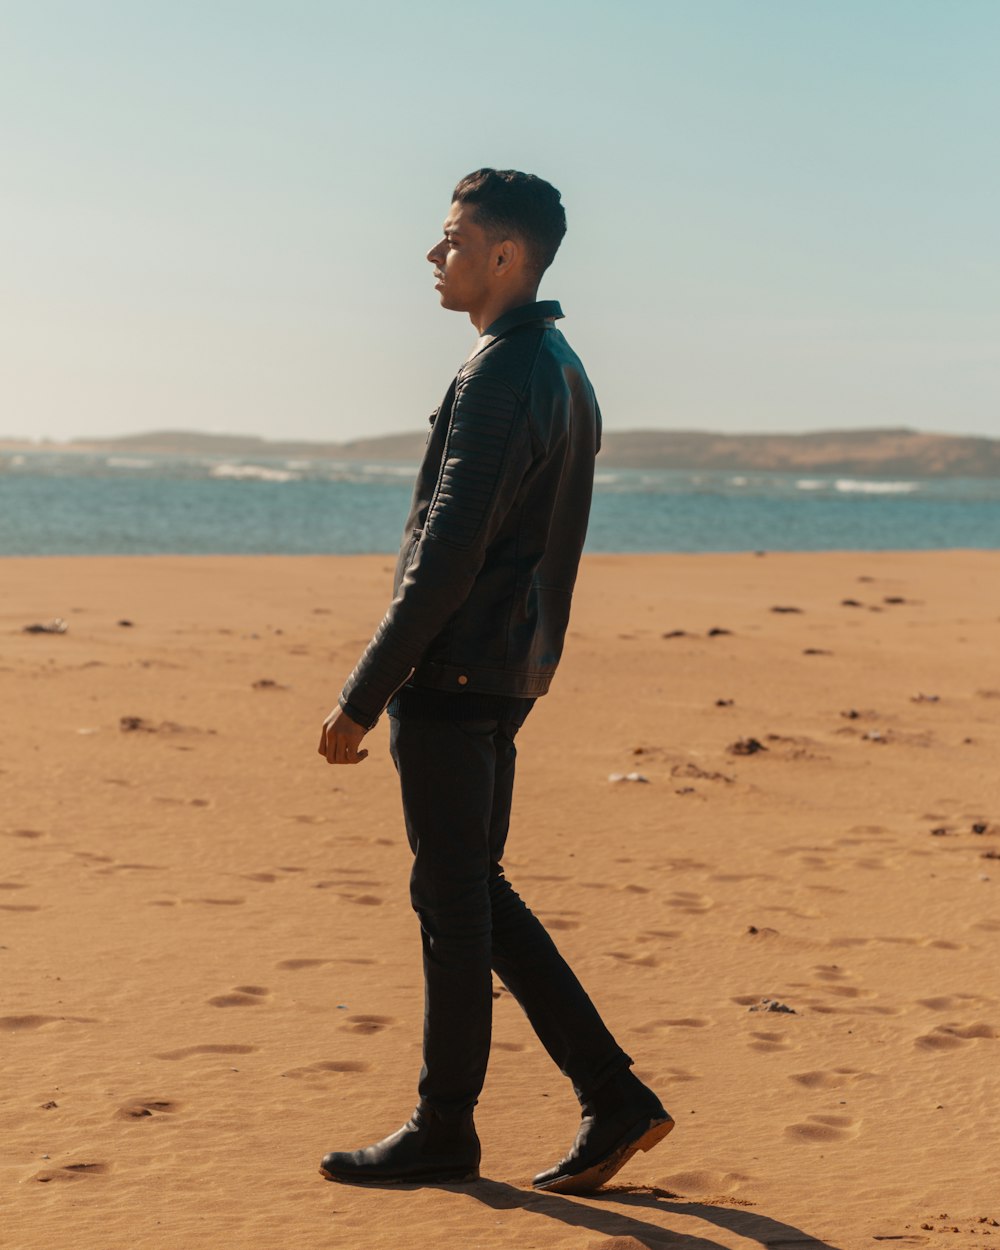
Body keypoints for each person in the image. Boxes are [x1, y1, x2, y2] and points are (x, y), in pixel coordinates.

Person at [317, 168, 672, 1193]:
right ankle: (611, 1097)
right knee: (470, 887)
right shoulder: (562, 367)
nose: (435, 257)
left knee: (453, 897)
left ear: (505, 255)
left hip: (458, 668)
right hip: (507, 668)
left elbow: (447, 550)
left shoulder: (506, 372)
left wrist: (363, 690)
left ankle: (446, 1126)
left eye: (452, 239)